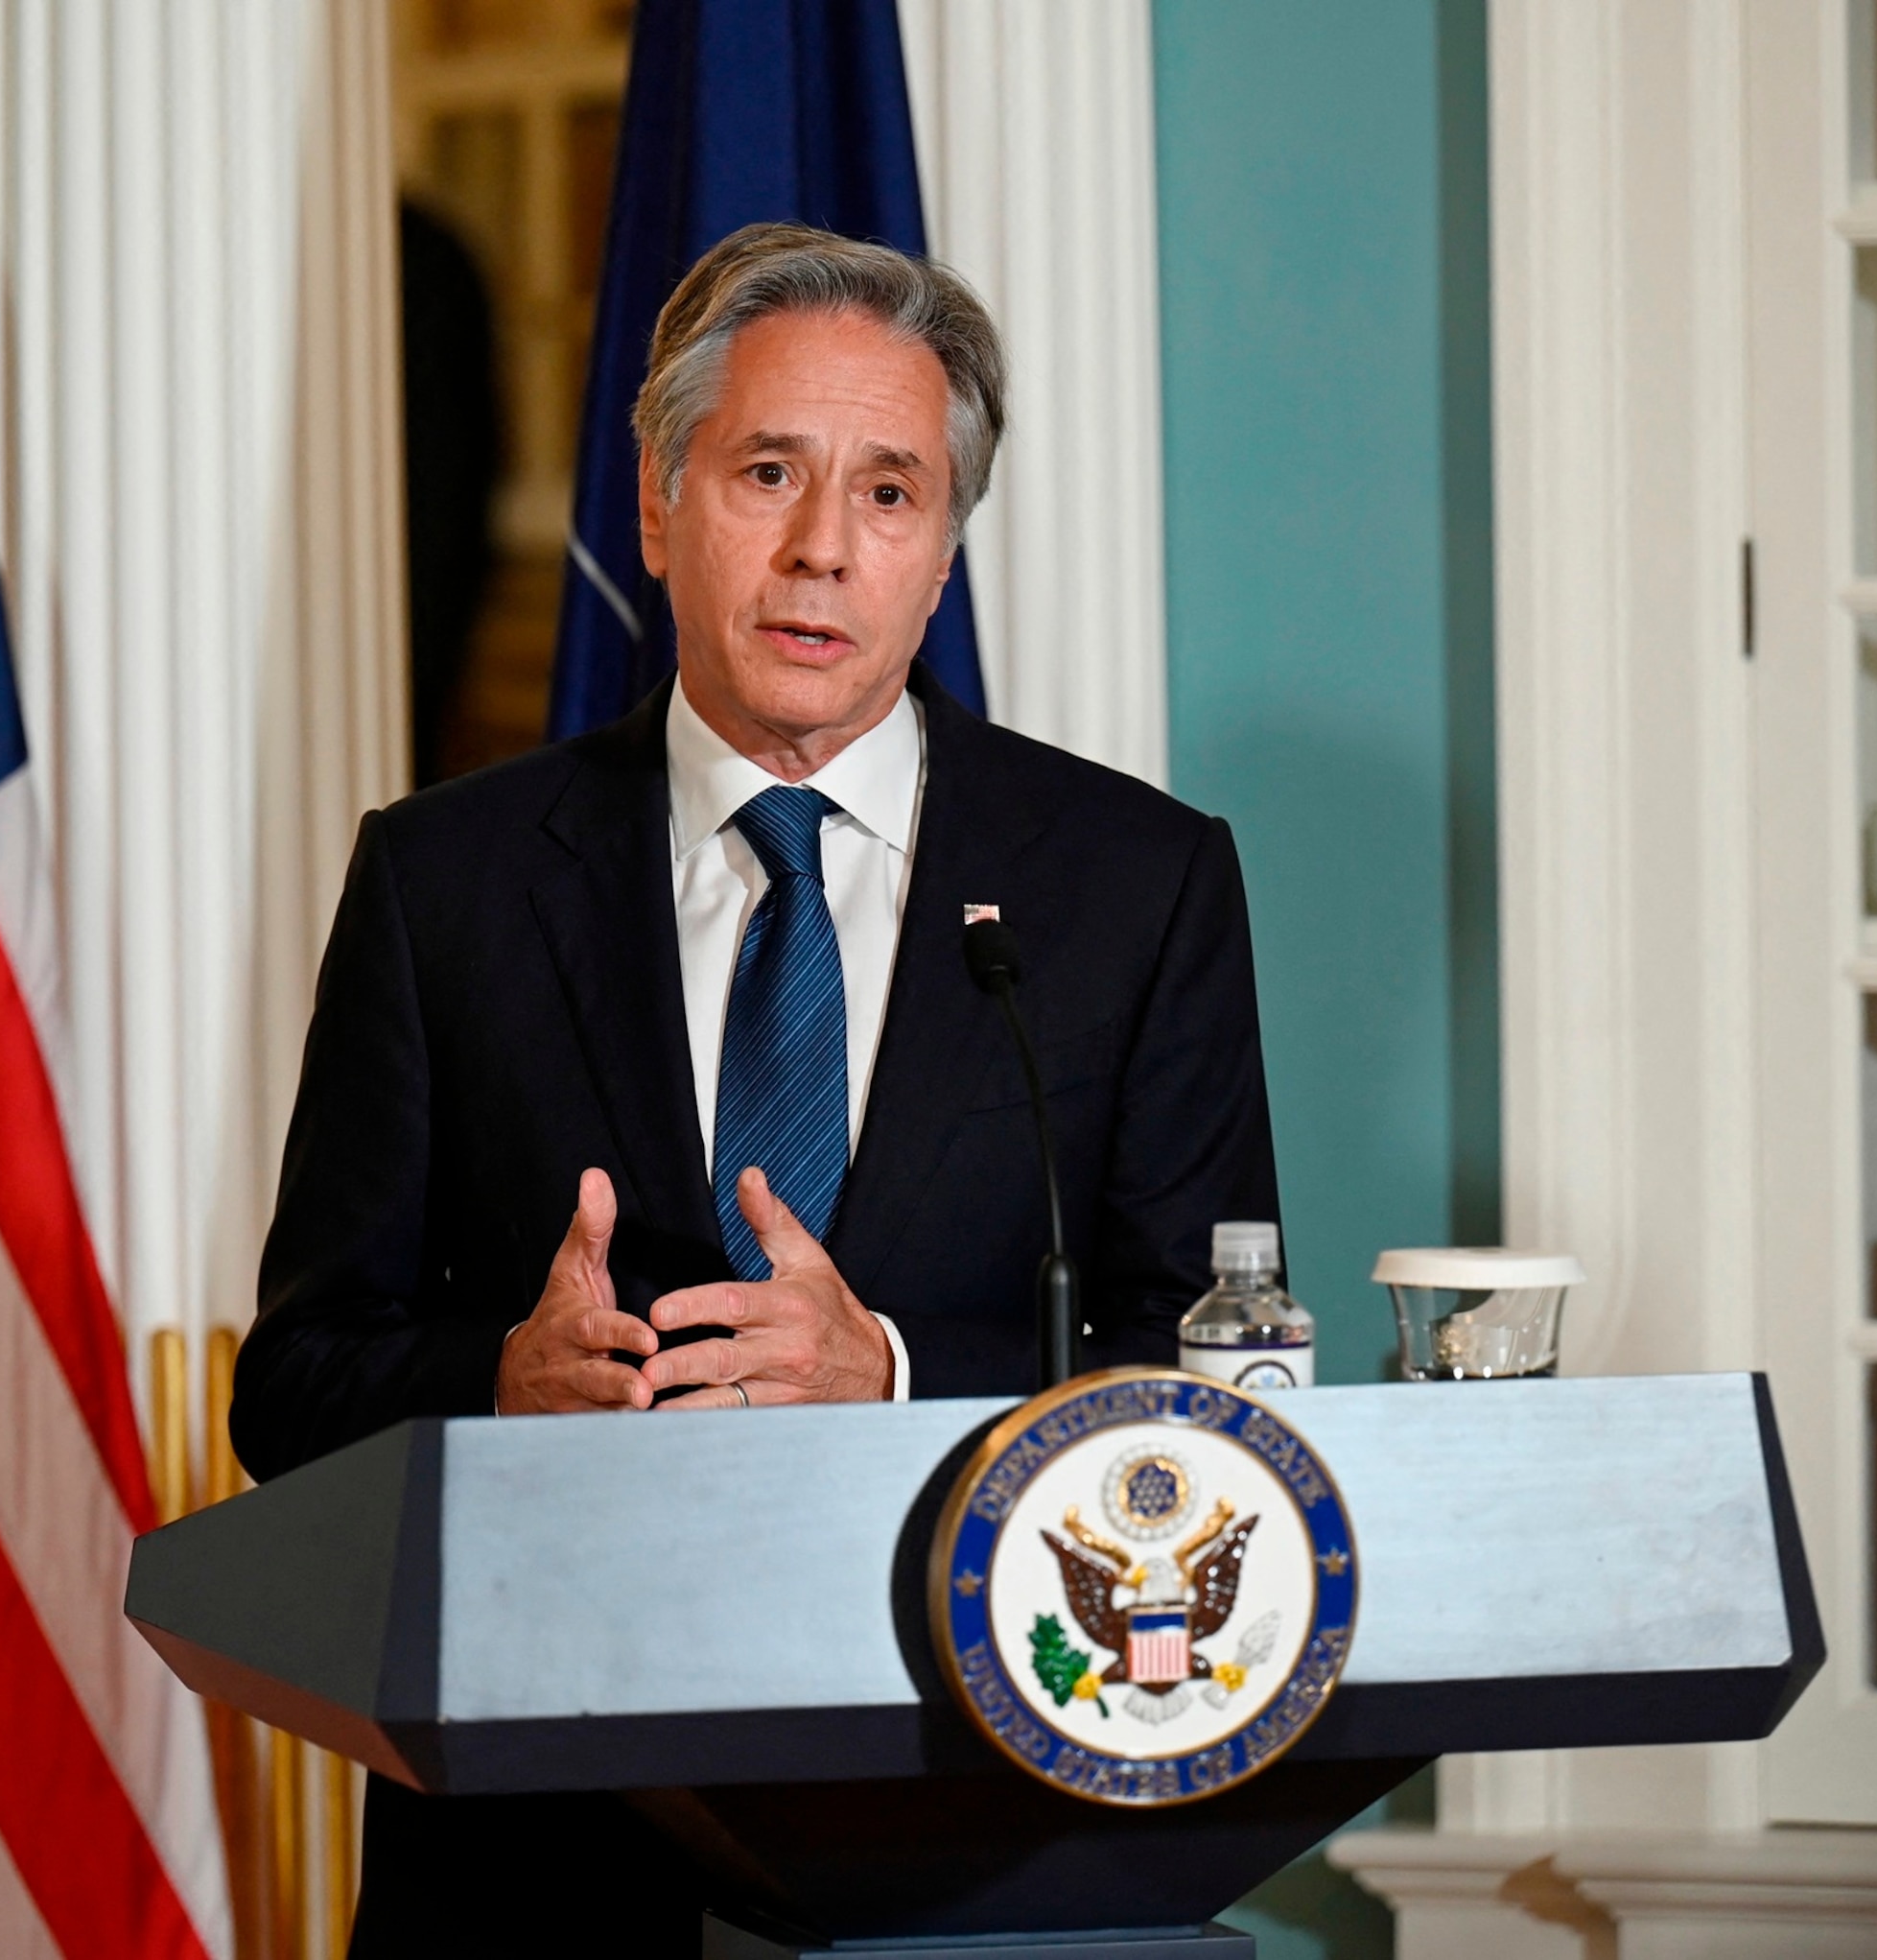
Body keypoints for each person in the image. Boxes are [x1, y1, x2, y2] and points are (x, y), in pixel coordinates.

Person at [232, 221, 1278, 1954]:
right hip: (538, 1871)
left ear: (942, 555)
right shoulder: (450, 883)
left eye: (889, 495)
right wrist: (499, 1383)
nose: (821, 552)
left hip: (981, 1842)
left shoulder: (1132, 887)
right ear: (656, 502)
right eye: (769, 472)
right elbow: (296, 1382)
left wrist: (890, 1375)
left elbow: (1201, 1364)